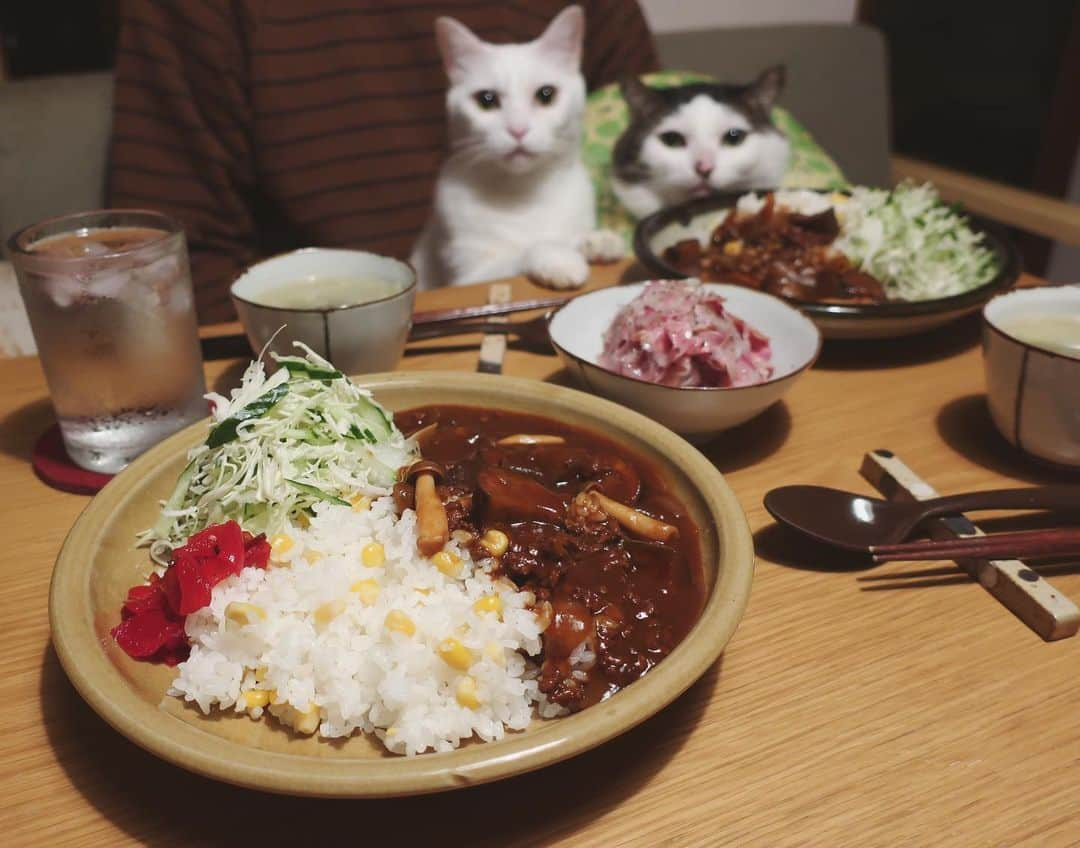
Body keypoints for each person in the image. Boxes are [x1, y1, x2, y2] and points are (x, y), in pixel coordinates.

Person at [107, 1, 658, 323]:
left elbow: (651, 155)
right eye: (489, 102)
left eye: (541, 100)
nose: (518, 127)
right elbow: (157, 264)